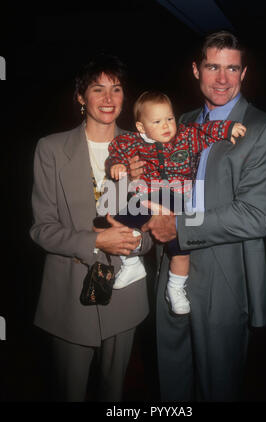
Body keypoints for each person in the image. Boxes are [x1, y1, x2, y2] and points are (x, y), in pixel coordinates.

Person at [135, 31, 266, 401]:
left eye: (232, 68)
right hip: (172, 265)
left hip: (226, 272)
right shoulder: (177, 123)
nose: (222, 78)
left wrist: (178, 226)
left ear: (244, 73)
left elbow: (255, 216)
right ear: (196, 70)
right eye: (213, 66)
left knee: (217, 386)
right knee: (171, 381)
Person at [29, 53, 152, 402]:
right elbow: (42, 229)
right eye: (98, 89)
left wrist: (136, 241)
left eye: (116, 89)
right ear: (80, 97)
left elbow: (154, 224)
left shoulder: (143, 149)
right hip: (69, 295)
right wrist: (97, 240)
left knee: (115, 394)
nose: (109, 99)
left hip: (126, 294)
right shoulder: (50, 149)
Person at [104, 90, 245, 315]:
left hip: (179, 199)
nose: (167, 125)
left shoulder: (186, 136)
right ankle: (131, 265)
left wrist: (227, 129)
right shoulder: (133, 141)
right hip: (149, 198)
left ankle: (176, 288)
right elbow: (117, 150)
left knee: (179, 251)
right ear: (142, 127)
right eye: (157, 121)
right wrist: (118, 164)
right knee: (119, 220)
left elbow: (206, 131)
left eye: (169, 118)